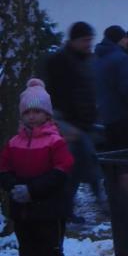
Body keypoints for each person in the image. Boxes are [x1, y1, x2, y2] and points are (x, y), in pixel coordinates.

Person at [0, 79, 74, 256]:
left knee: (50, 251)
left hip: (49, 208)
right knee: (28, 253)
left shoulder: (55, 141)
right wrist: (13, 187)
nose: (32, 116)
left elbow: (61, 170)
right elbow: (3, 168)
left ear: (47, 114)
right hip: (23, 210)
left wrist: (33, 190)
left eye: (37, 111)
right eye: (28, 112)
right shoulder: (14, 142)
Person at [41, 20, 101, 209]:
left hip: (82, 122)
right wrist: (63, 124)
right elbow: (57, 94)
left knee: (80, 166)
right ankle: (68, 206)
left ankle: (69, 205)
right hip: (68, 123)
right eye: (85, 40)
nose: (89, 44)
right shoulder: (59, 61)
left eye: (90, 40)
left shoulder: (86, 60)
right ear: (74, 40)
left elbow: (88, 90)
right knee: (73, 167)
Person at [93, 25, 128, 150]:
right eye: (125, 38)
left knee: (114, 154)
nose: (127, 41)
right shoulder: (122, 59)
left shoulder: (98, 59)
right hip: (124, 117)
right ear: (119, 39)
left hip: (106, 116)